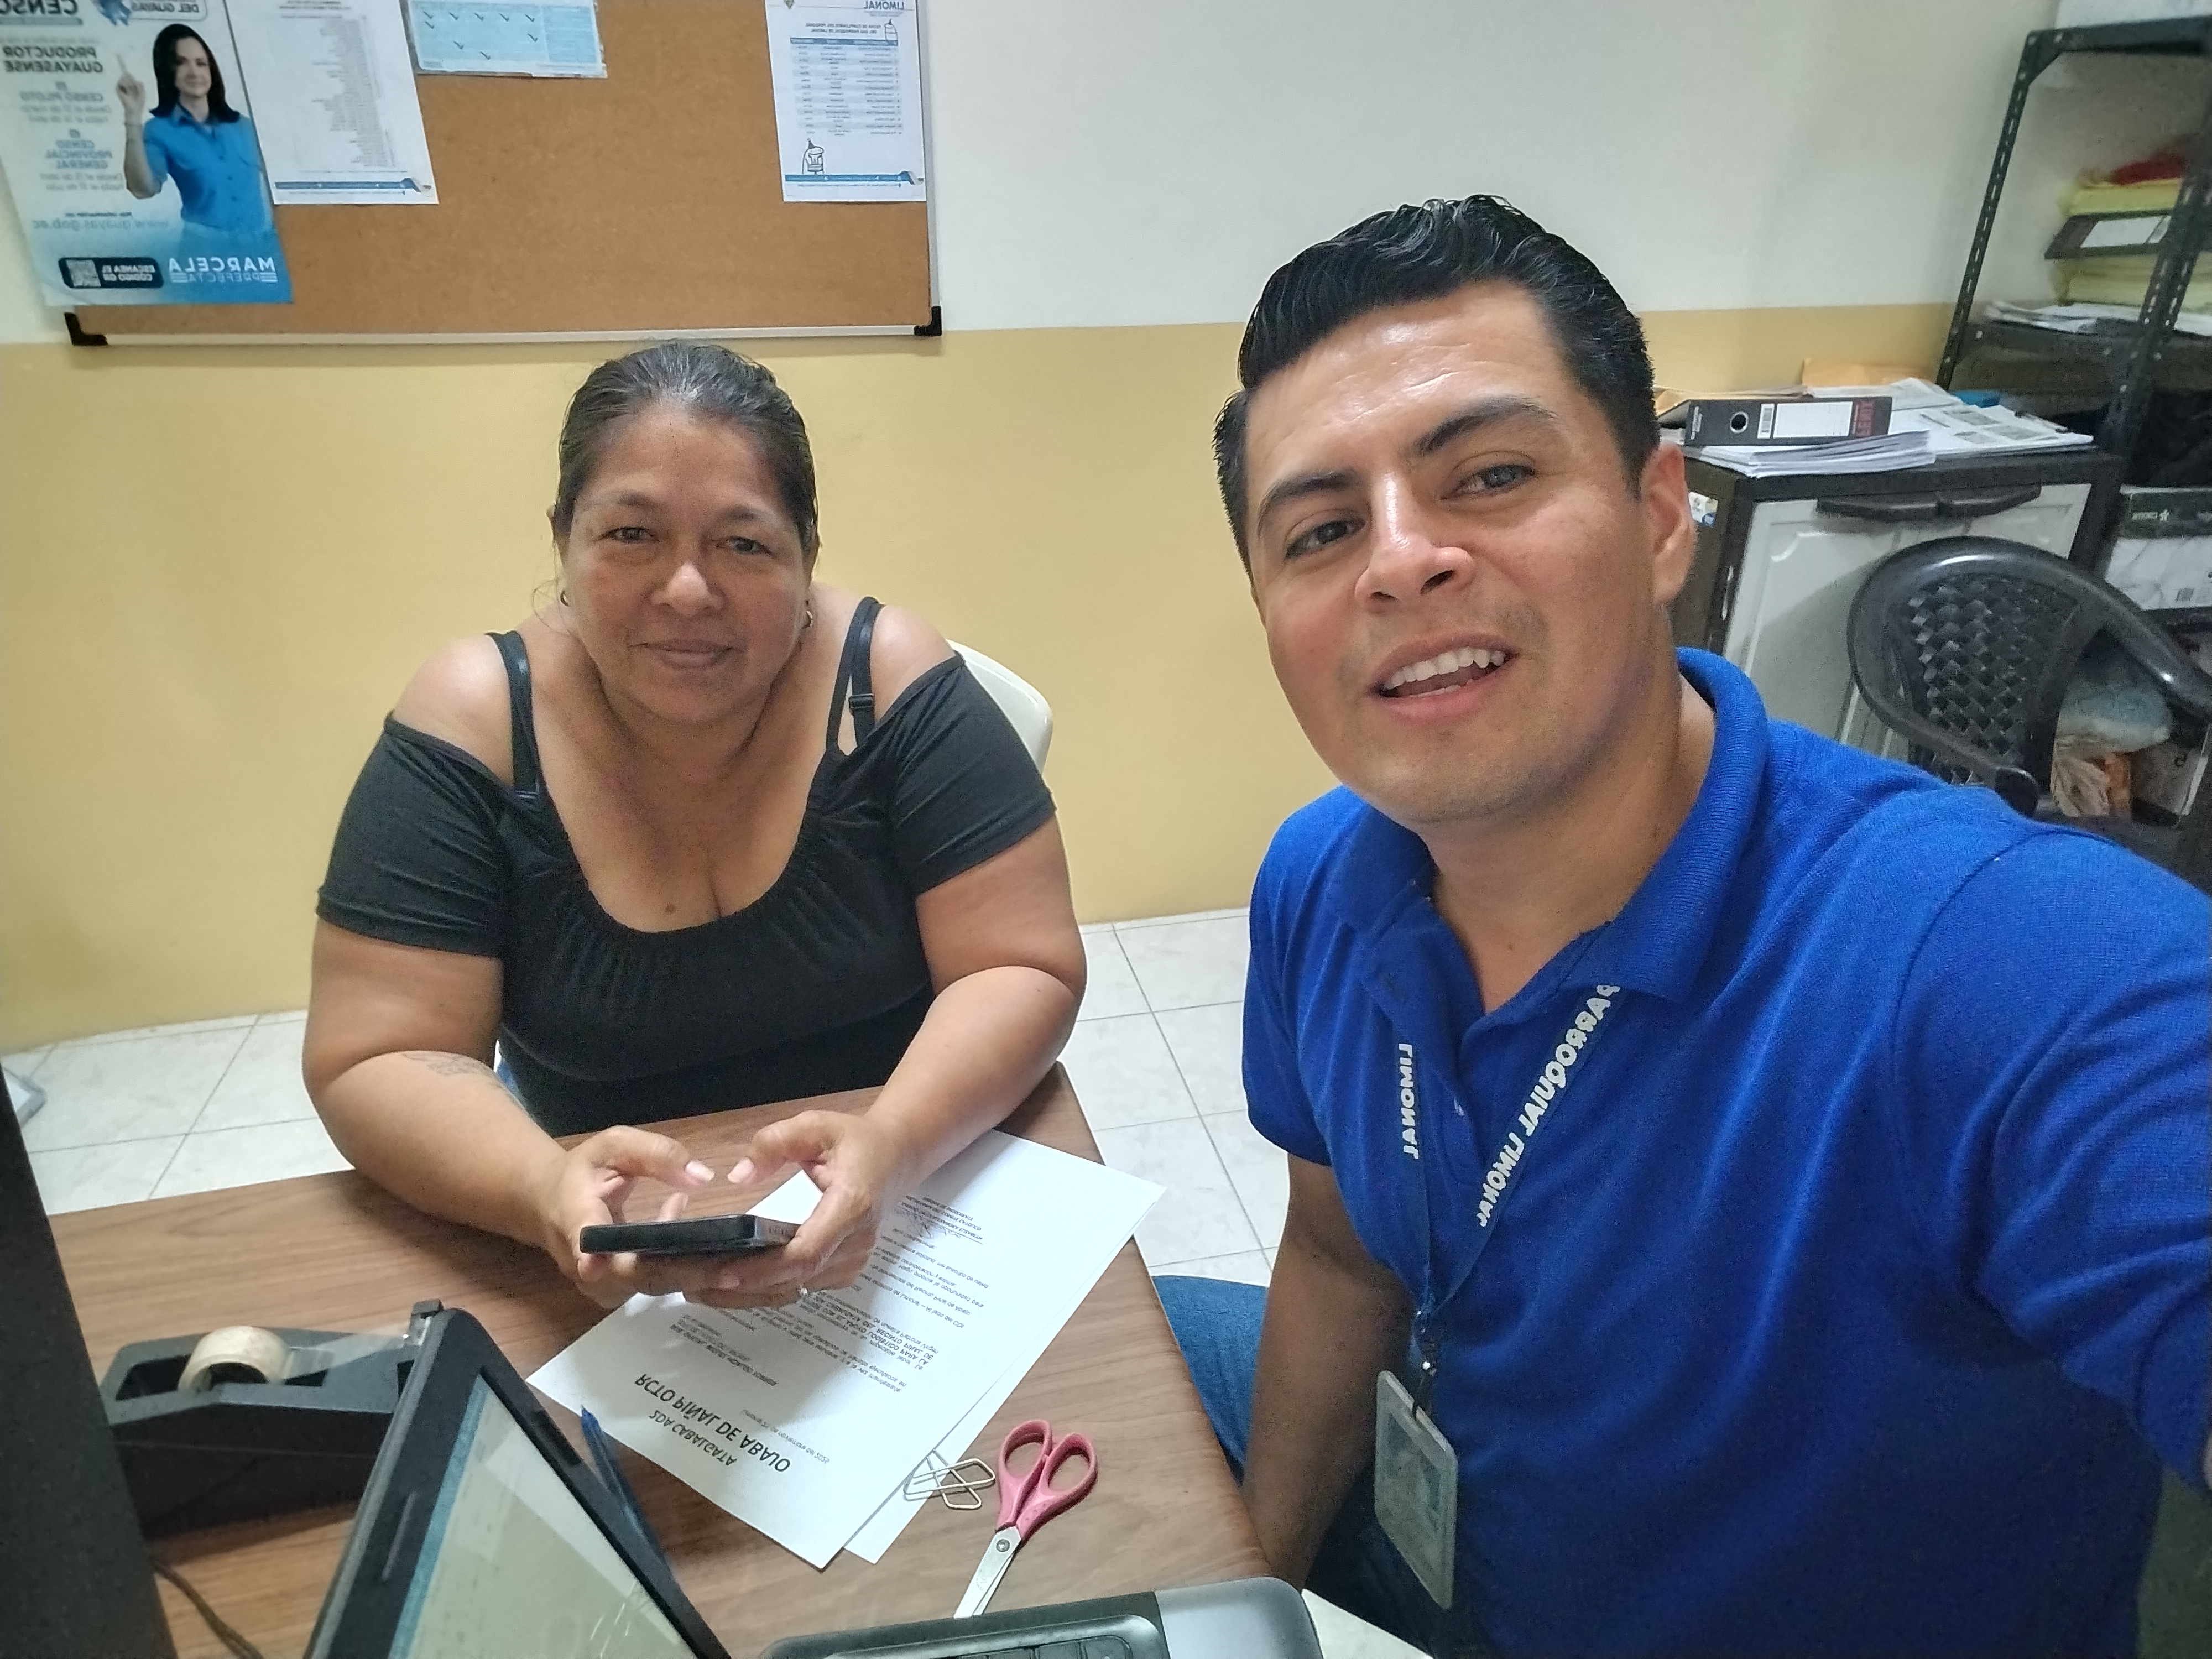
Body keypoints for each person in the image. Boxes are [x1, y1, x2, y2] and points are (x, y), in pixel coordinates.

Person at [1160, 196, 2211, 1658]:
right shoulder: (1321, 877)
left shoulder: (2007, 961)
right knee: (1140, 1335)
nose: (1400, 561)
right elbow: (1343, 1261)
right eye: (1323, 530)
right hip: (1460, 1544)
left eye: (1492, 474)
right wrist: (1250, 1596)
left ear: (1661, 519)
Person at [306, 342, 1084, 1316]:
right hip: (599, 1265)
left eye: (743, 544)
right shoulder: (476, 720)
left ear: (807, 555)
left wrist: (895, 1142)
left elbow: (1021, 963)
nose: (686, 590)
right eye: (631, 534)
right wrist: (541, 1188)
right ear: (563, 539)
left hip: (910, 1215)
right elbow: (376, 1055)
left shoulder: (885, 679)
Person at [116, 25, 275, 248]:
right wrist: (132, 118)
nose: (194, 72)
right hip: (204, 250)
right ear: (167, 71)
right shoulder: (159, 130)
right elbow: (142, 190)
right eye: (181, 63)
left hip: (261, 250)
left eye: (201, 63)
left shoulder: (244, 126)